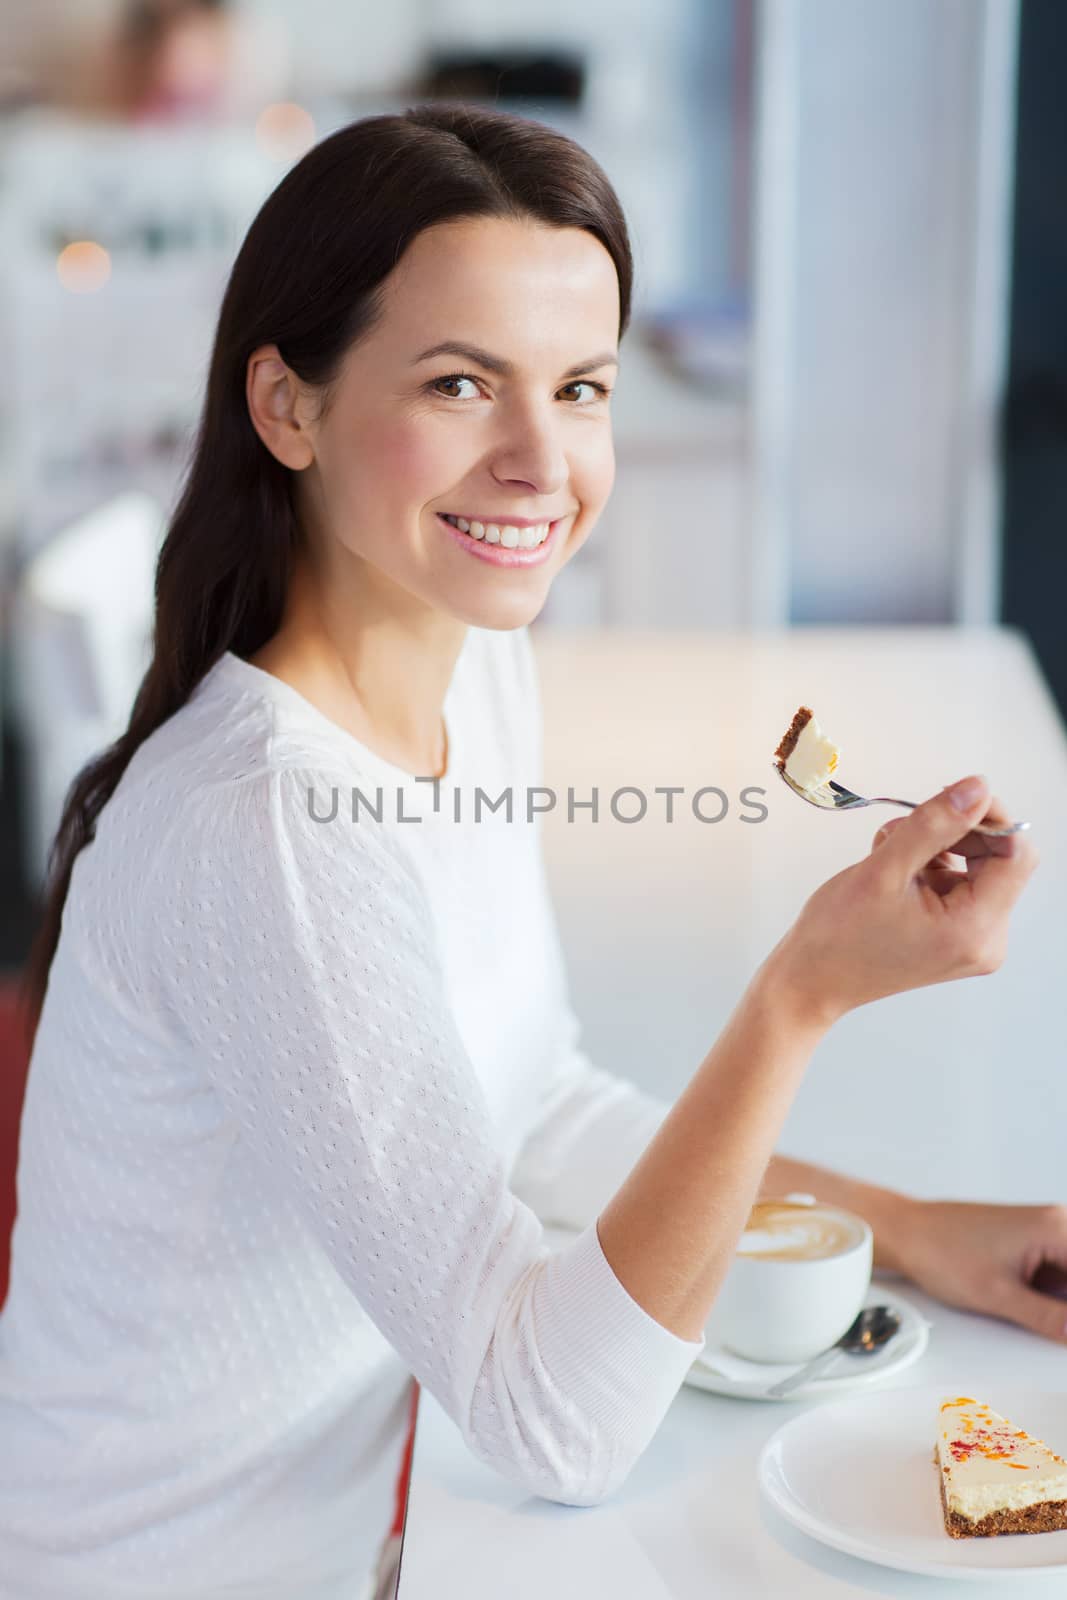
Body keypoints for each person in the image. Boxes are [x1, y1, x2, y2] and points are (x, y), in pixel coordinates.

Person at [0, 104, 1048, 1600]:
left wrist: (919, 1235)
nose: (541, 461)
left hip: (387, 1522)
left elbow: (535, 1106)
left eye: (580, 387)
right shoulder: (267, 830)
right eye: (458, 383)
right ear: (286, 408)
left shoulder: (468, 668)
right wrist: (802, 993)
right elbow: (558, 1426)